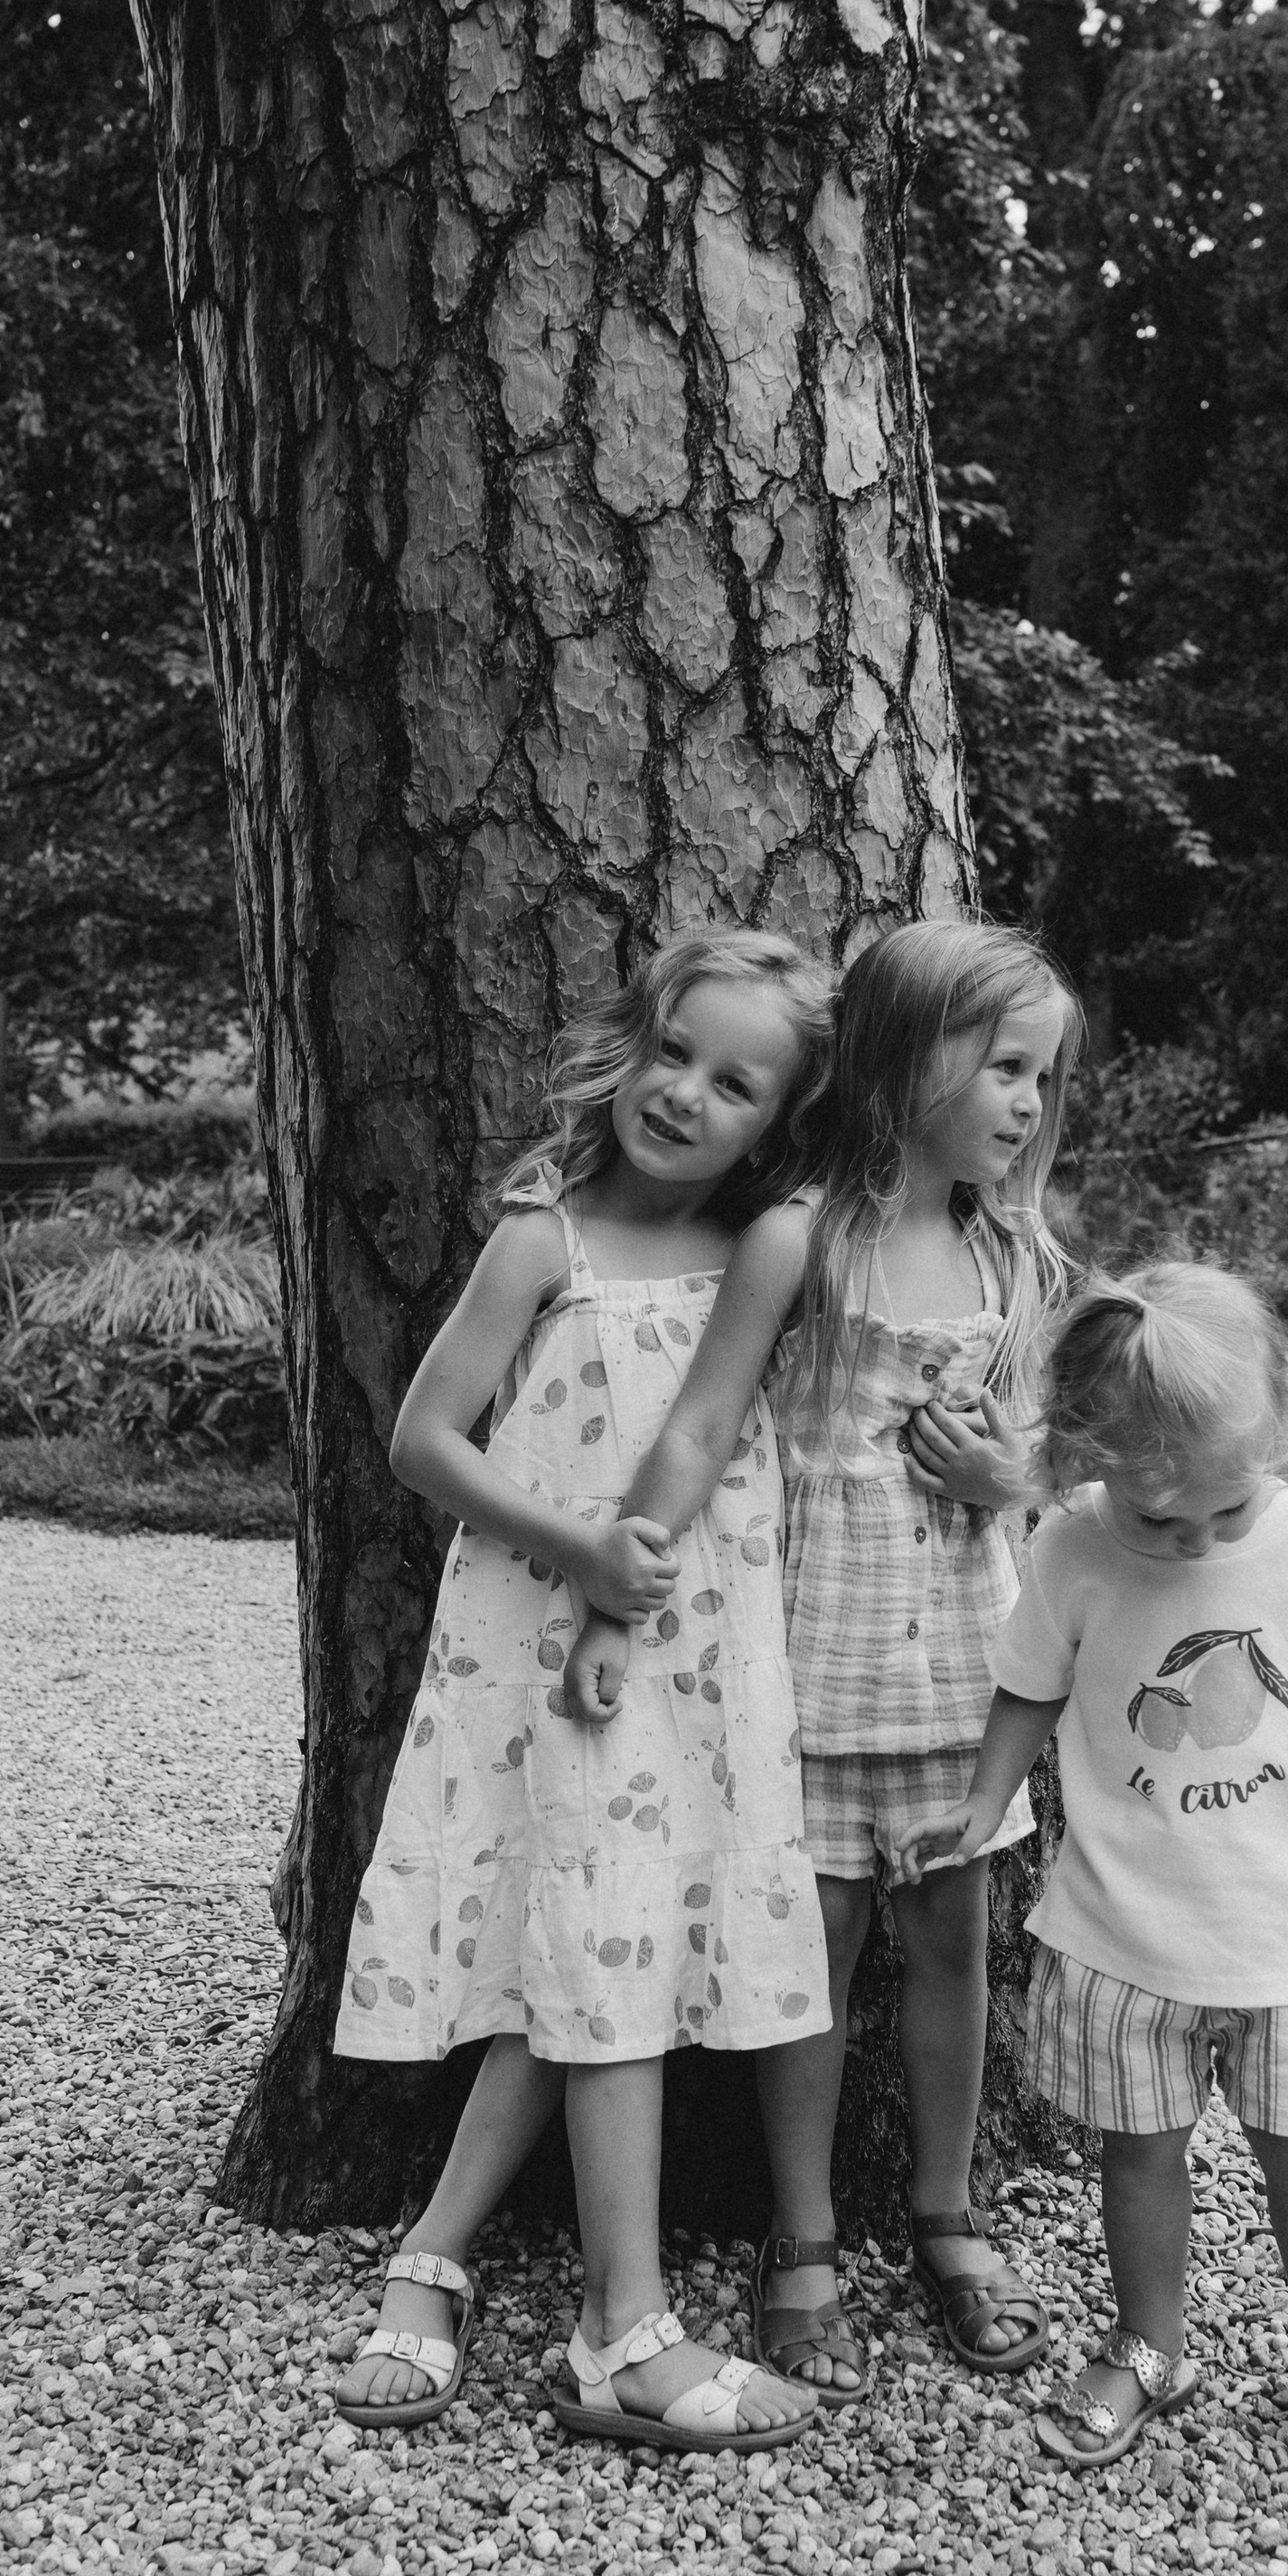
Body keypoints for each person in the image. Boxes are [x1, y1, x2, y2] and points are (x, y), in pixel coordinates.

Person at [330, 929, 835, 2455]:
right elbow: (426, 1438)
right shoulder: (546, 1237)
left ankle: (436, 2256)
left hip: (691, 1656)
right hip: (537, 1644)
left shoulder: (768, 1248)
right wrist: (579, 1556)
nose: (684, 1094)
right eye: (673, 1052)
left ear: (778, 1118)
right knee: (583, 1942)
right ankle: (622, 2327)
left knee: (593, 1947)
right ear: (631, 1042)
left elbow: (717, 1429)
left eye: (733, 1082)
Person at [567, 920, 1083, 2401]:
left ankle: (945, 2214)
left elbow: (1060, 1454)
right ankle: (802, 2237)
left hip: (963, 1681)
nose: (1027, 1106)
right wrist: (621, 1591)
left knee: (952, 1951)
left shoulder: (1012, 1250)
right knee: (814, 1962)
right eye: (1004, 1070)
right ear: (910, 1057)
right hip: (806, 1667)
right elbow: (703, 1422)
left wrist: (1012, 1478)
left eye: (1040, 1081)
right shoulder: (803, 1237)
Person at [899, 1260, 1288, 2491]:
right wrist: (985, 1803)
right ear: (1088, 1460)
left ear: (1281, 1433)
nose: (1193, 1540)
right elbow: (1029, 1690)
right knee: (1135, 2151)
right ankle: (1148, 2344)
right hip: (1120, 1931)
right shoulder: (1072, 1550)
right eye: (1159, 1521)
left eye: (1221, 1511)